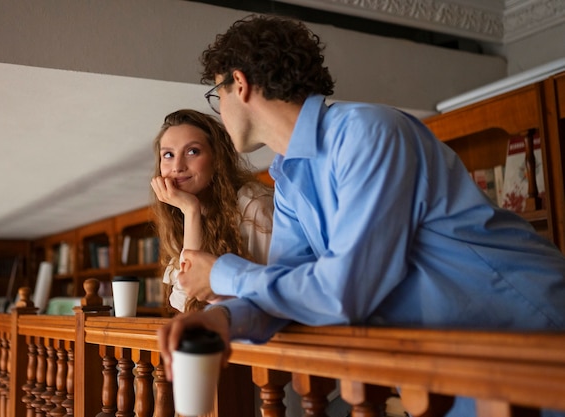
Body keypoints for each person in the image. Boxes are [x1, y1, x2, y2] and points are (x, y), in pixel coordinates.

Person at [157, 15, 565, 417]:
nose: (220, 109)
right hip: (459, 373)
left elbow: (345, 291)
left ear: (239, 84)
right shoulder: (289, 177)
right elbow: (283, 292)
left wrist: (221, 275)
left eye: (217, 94)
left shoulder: (367, 132)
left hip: (539, 346)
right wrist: (222, 318)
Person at [150, 109, 273, 313]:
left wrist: (191, 209)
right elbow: (185, 301)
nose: (177, 166)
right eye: (168, 155)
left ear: (217, 158)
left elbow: (270, 294)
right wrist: (191, 211)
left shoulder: (252, 203)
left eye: (192, 152)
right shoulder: (181, 214)